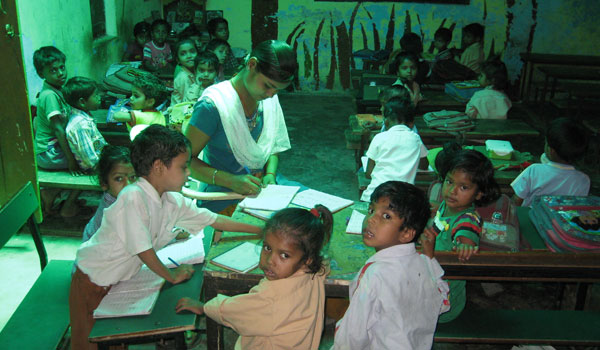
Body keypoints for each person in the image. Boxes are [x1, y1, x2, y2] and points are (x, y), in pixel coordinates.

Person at [69, 125, 262, 350]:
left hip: (119, 278)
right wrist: (170, 276)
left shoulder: (171, 200)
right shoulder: (133, 197)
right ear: (159, 167)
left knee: (114, 341)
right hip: (92, 279)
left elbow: (213, 220)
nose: (189, 172)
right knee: (88, 342)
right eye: (183, 166)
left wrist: (259, 230)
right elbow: (143, 250)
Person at [176, 205, 333, 350]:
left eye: (284, 255)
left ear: (307, 259)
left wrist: (205, 307)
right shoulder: (314, 271)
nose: (270, 260)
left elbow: (234, 311)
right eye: (267, 248)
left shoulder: (270, 299)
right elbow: (324, 261)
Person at [184, 40, 298, 215]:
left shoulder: (267, 100)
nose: (270, 95)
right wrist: (231, 181)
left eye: (277, 91)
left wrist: (270, 174)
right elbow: (183, 160)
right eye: (268, 86)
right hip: (222, 193)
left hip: (262, 188)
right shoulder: (213, 106)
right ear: (251, 64)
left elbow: (271, 144)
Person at [334, 181, 450, 349]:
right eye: (371, 210)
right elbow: (443, 302)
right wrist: (429, 258)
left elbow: (353, 335)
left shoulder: (374, 275)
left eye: (386, 216)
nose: (371, 219)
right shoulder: (423, 263)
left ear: (406, 234)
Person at [425, 149, 500, 322]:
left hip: (441, 302)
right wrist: (436, 210)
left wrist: (464, 246)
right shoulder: (449, 205)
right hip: (431, 278)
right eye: (449, 181)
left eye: (463, 187)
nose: (452, 190)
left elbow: (465, 236)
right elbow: (443, 223)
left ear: (479, 193)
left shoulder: (467, 220)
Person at [33, 46, 82, 217]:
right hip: (49, 153)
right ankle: (68, 206)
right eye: (53, 70)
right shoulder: (49, 96)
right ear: (42, 74)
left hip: (51, 150)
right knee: (89, 164)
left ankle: (51, 193)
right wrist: (71, 160)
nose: (60, 73)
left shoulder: (58, 90)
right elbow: (58, 129)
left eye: (62, 67)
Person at [361, 96, 428, 202]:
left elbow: (369, 173)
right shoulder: (415, 139)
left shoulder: (379, 138)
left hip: (375, 196)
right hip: (402, 200)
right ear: (411, 123)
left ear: (386, 122)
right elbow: (424, 165)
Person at [511, 117, 590, 207]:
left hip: (530, 218)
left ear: (551, 150)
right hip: (560, 220)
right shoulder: (583, 180)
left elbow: (517, 200)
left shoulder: (534, 170)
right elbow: (577, 207)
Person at [81, 145, 136, 243]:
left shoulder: (128, 198)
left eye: (133, 177)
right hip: (97, 254)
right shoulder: (111, 210)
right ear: (104, 184)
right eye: (119, 179)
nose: (128, 184)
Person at [63, 77, 107, 172]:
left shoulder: (84, 117)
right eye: (96, 95)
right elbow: (90, 159)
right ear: (82, 102)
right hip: (96, 168)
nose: (99, 97)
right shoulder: (80, 125)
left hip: (102, 158)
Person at [171, 39, 199, 105]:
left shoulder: (196, 72)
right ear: (178, 60)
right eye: (183, 54)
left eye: (192, 52)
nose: (189, 56)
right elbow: (186, 103)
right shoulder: (183, 77)